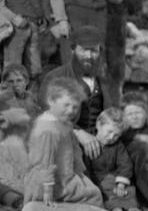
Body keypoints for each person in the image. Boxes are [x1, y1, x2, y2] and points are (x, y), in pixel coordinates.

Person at [22, 77, 105, 210]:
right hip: (50, 183)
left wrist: (81, 176)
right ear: (51, 101)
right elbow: (45, 162)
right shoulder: (47, 128)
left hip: (67, 176)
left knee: (93, 193)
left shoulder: (63, 123)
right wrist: (47, 192)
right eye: (66, 105)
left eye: (75, 107)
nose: (71, 111)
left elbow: (74, 154)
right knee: (94, 196)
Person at [39, 25, 109, 138]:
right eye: (84, 50)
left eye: (94, 51)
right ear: (73, 50)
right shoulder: (55, 77)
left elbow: (114, 112)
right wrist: (77, 133)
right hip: (66, 138)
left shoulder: (104, 80)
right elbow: (46, 113)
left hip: (101, 139)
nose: (89, 56)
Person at [100, 0, 142, 107]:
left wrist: (127, 5)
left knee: (116, 70)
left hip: (117, 28)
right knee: (97, 70)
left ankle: (114, 107)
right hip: (96, 25)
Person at [87, 108, 141, 211]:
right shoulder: (89, 143)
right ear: (99, 125)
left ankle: (132, 207)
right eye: (109, 131)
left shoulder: (118, 146)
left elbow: (125, 164)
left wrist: (121, 184)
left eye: (116, 135)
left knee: (129, 194)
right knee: (114, 204)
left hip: (116, 179)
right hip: (99, 182)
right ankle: (116, 207)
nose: (111, 137)